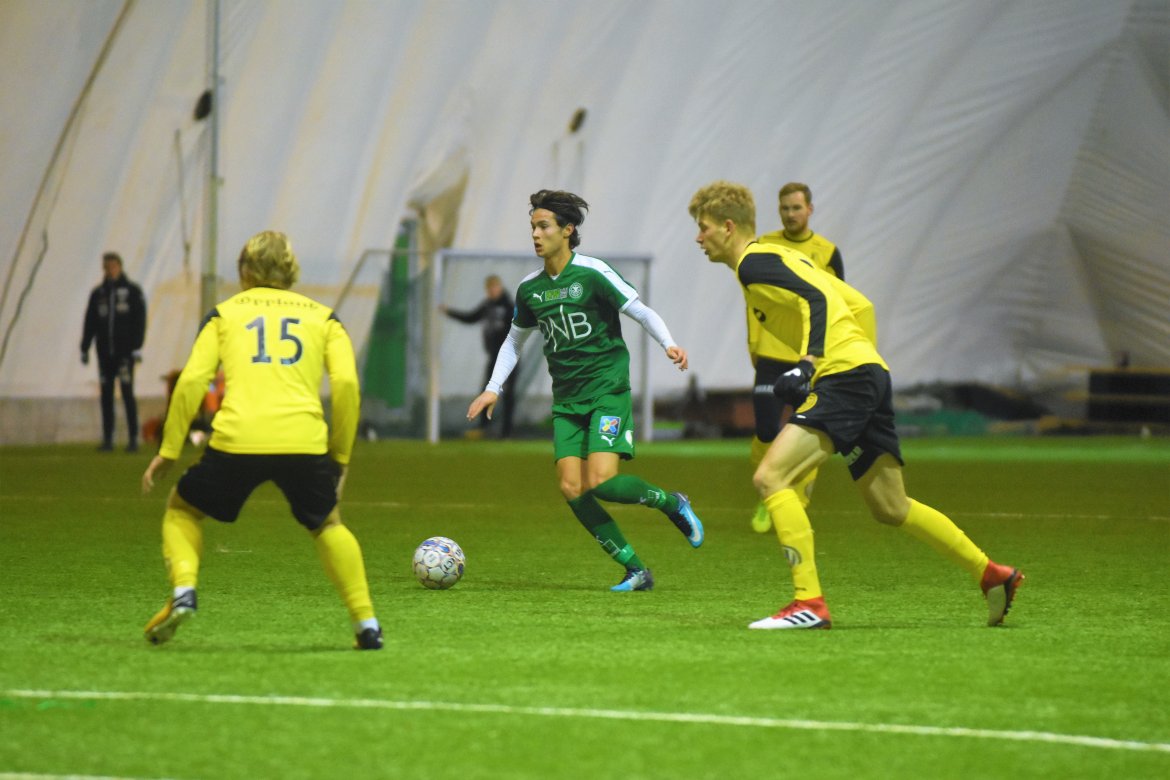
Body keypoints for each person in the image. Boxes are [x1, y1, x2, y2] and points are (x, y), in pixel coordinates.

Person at [688, 181, 1023, 629]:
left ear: (728, 227)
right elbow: (859, 305)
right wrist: (859, 363)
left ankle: (809, 603)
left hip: (847, 377)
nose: (699, 237)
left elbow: (817, 299)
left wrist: (810, 365)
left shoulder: (753, 262)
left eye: (703, 227)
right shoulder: (782, 256)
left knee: (771, 476)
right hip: (865, 373)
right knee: (891, 506)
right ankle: (991, 573)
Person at [140, 230, 382, 650]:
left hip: (238, 440)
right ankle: (367, 625)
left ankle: (184, 591)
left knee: (182, 509)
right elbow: (346, 385)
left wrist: (169, 449)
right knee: (327, 523)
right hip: (303, 441)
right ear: (292, 271)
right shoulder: (325, 318)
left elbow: (193, 380)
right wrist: (340, 457)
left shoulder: (224, 314)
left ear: (244, 271)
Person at [467, 190, 704, 591]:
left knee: (602, 482)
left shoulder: (593, 272)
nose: (535, 234)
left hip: (607, 390)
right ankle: (635, 570)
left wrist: (669, 343)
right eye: (533, 227)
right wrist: (493, 389)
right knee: (571, 487)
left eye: (544, 226)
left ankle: (671, 503)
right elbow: (513, 341)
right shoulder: (530, 289)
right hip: (567, 401)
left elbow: (640, 310)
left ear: (568, 230)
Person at [744, 183, 846, 533]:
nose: (790, 214)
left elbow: (836, 303)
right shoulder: (764, 246)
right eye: (785, 208)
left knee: (810, 430)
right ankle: (766, 491)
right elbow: (753, 299)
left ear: (810, 209)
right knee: (765, 430)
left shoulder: (827, 253)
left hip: (808, 358)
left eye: (796, 208)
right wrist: (753, 343)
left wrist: (824, 354)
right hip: (771, 353)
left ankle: (798, 497)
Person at [81, 251, 147, 452]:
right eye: (106, 267)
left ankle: (133, 438)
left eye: (112, 266)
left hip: (124, 353)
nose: (110, 270)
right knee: (106, 396)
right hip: (104, 353)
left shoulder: (132, 291)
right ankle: (108, 439)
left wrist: (136, 345)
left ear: (119, 267)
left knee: (127, 393)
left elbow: (140, 320)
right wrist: (85, 347)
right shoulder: (98, 294)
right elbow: (90, 322)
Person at [440, 274, 519, 438]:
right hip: (493, 358)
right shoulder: (487, 306)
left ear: (500, 288)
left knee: (508, 394)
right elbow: (470, 317)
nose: (492, 291)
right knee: (487, 389)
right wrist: (449, 312)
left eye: (494, 288)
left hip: (508, 358)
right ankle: (484, 427)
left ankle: (507, 432)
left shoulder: (509, 307)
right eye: (489, 289)